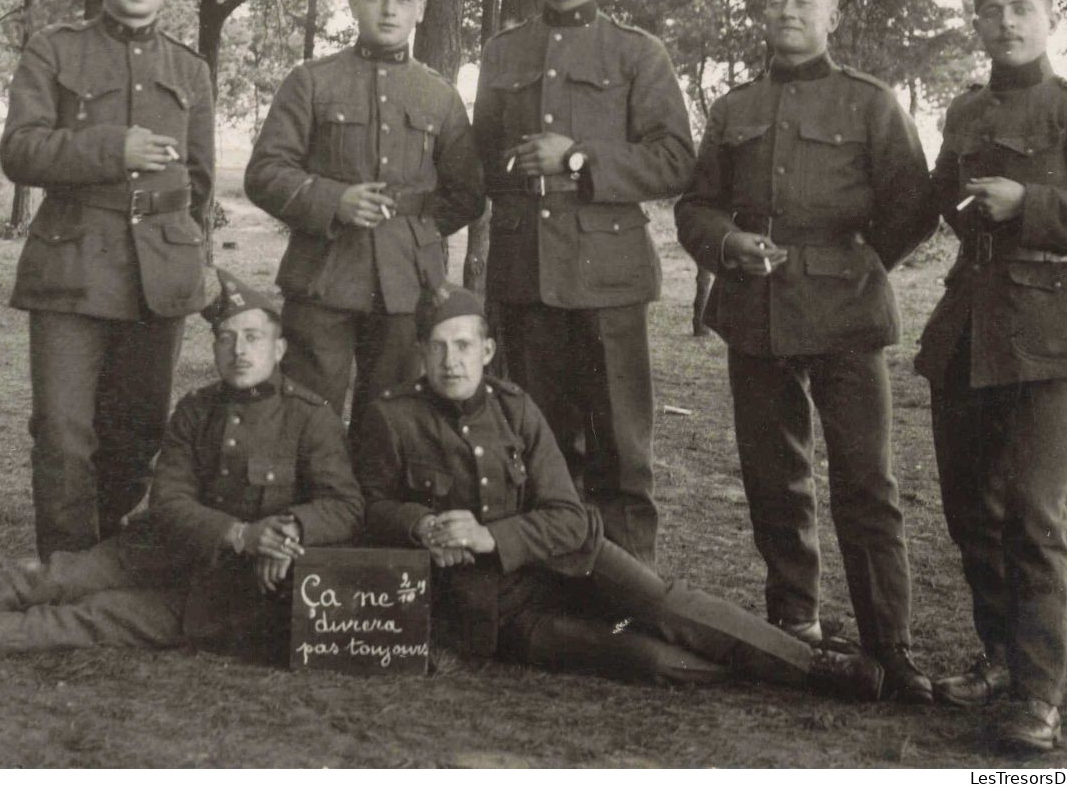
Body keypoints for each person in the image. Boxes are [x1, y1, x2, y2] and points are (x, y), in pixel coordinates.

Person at [353, 283, 883, 700]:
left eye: (465, 345)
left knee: (667, 606)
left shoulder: (515, 408)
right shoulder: (391, 418)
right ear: (420, 353)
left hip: (571, 562)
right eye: (439, 347)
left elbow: (568, 517)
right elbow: (368, 509)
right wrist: (417, 525)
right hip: (504, 611)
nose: (452, 361)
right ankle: (772, 660)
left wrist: (490, 537)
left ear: (488, 350)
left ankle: (817, 668)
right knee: (652, 661)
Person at [673, 0, 936, 702]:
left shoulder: (868, 101)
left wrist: (855, 263)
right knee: (773, 476)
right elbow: (696, 204)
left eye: (803, 2)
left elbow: (911, 206)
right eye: (776, 1)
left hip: (847, 315)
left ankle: (891, 643)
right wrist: (726, 243)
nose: (788, 12)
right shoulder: (734, 108)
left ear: (831, 19)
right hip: (753, 313)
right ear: (762, 18)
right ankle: (794, 625)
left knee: (866, 482)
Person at [0, 269, 362, 660]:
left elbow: (344, 505)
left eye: (254, 338)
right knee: (55, 576)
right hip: (156, 549)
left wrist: (291, 529)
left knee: (87, 618)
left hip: (224, 591)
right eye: (227, 339)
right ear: (212, 347)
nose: (240, 351)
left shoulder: (310, 417)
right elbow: (169, 501)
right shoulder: (196, 409)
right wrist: (240, 532)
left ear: (278, 350)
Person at [915, 0, 1067, 752]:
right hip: (968, 329)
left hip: (1053, 337)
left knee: (1033, 517)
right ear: (975, 23)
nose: (1006, 23)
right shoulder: (965, 112)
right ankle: (998, 657)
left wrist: (1029, 205)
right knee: (967, 510)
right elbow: (945, 194)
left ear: (1047, 18)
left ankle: (1037, 696)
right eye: (991, 11)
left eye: (1020, 9)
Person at [471, 0, 694, 567]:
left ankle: (628, 589)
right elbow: (480, 157)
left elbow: (673, 160)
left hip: (607, 279)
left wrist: (575, 156)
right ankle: (547, 579)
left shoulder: (636, 53)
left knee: (620, 445)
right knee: (535, 437)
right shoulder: (502, 54)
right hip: (525, 273)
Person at [1, 0, 215, 558]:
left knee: (137, 429)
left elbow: (200, 182)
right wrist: (107, 149)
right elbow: (20, 150)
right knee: (63, 429)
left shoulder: (189, 69)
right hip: (72, 266)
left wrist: (189, 257)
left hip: (159, 276)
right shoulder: (55, 49)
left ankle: (109, 562)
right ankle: (64, 566)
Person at [245, 0, 483, 416]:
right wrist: (335, 201)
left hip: (408, 287)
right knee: (308, 415)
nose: (389, 10)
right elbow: (265, 172)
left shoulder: (439, 95)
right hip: (322, 278)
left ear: (420, 8)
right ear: (354, 5)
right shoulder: (311, 81)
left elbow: (467, 193)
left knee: (394, 418)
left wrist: (416, 234)